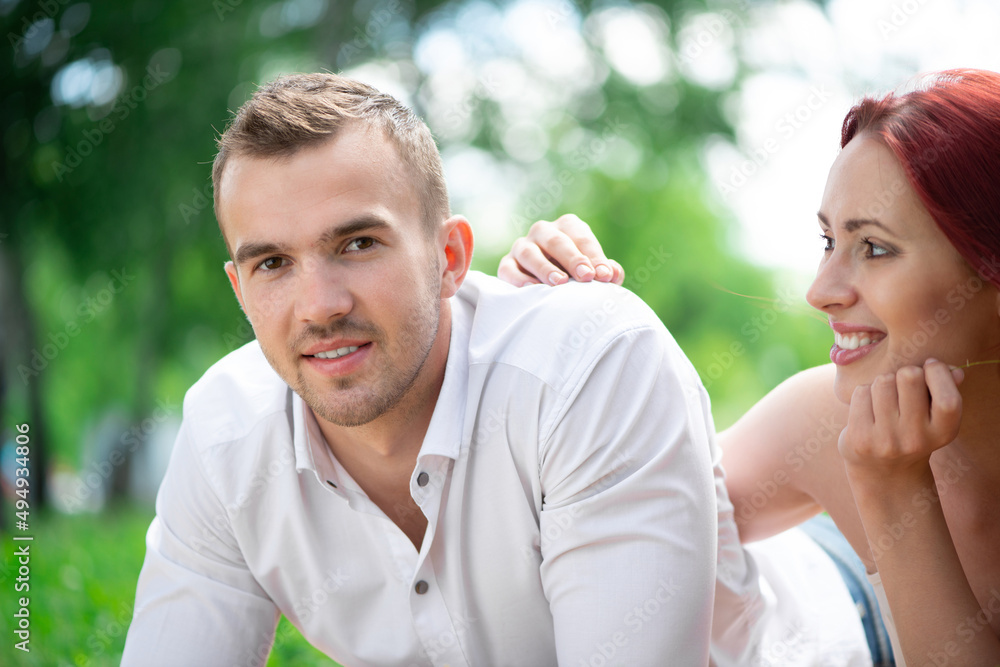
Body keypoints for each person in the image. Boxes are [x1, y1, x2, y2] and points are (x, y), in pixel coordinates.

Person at [121, 72, 800, 666]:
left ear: (449, 257)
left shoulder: (587, 366)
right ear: (240, 290)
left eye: (357, 243)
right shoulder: (225, 435)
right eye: (272, 263)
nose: (320, 306)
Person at [500, 68, 1000, 667]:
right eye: (827, 242)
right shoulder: (826, 416)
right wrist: (550, 319)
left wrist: (892, 492)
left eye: (875, 248)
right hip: (810, 601)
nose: (821, 292)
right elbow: (619, 514)